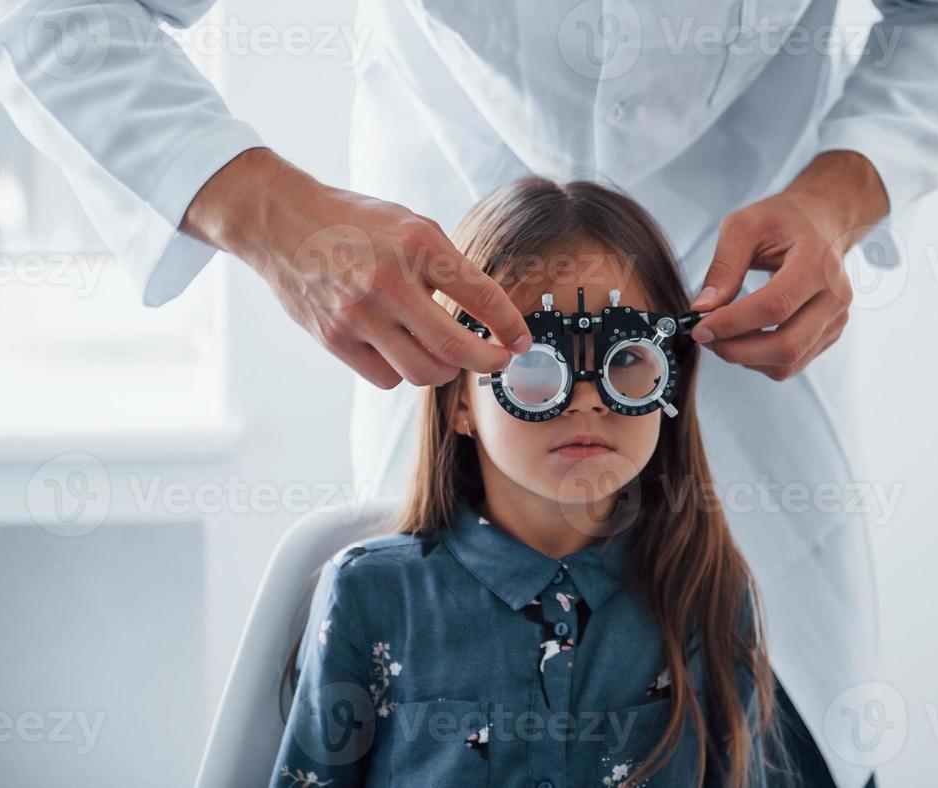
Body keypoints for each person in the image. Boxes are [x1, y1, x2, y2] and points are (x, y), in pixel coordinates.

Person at [0, 0, 938, 783]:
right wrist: (268, 212)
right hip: (438, 290)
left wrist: (842, 192)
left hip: (757, 407)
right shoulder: (373, 608)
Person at [271, 178, 780, 787]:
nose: (588, 401)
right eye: (536, 362)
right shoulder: (373, 595)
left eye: (626, 361)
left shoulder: (707, 594)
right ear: (460, 400)